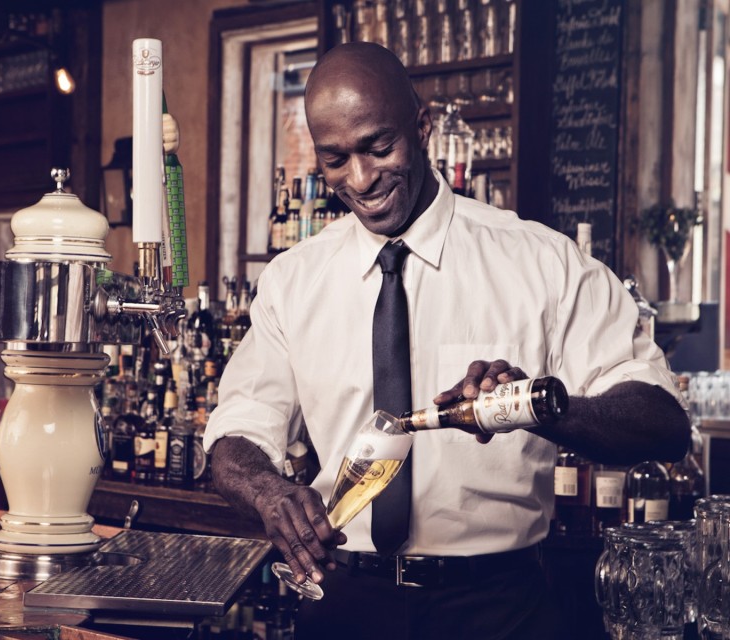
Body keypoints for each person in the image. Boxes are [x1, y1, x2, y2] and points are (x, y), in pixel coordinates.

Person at [203, 42, 690, 639]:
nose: (360, 179)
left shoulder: (541, 262)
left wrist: (535, 405)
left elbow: (663, 422)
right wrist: (268, 490)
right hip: (345, 600)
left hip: (500, 607)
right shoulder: (292, 280)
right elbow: (234, 436)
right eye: (335, 160)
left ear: (423, 127)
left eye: (380, 148)